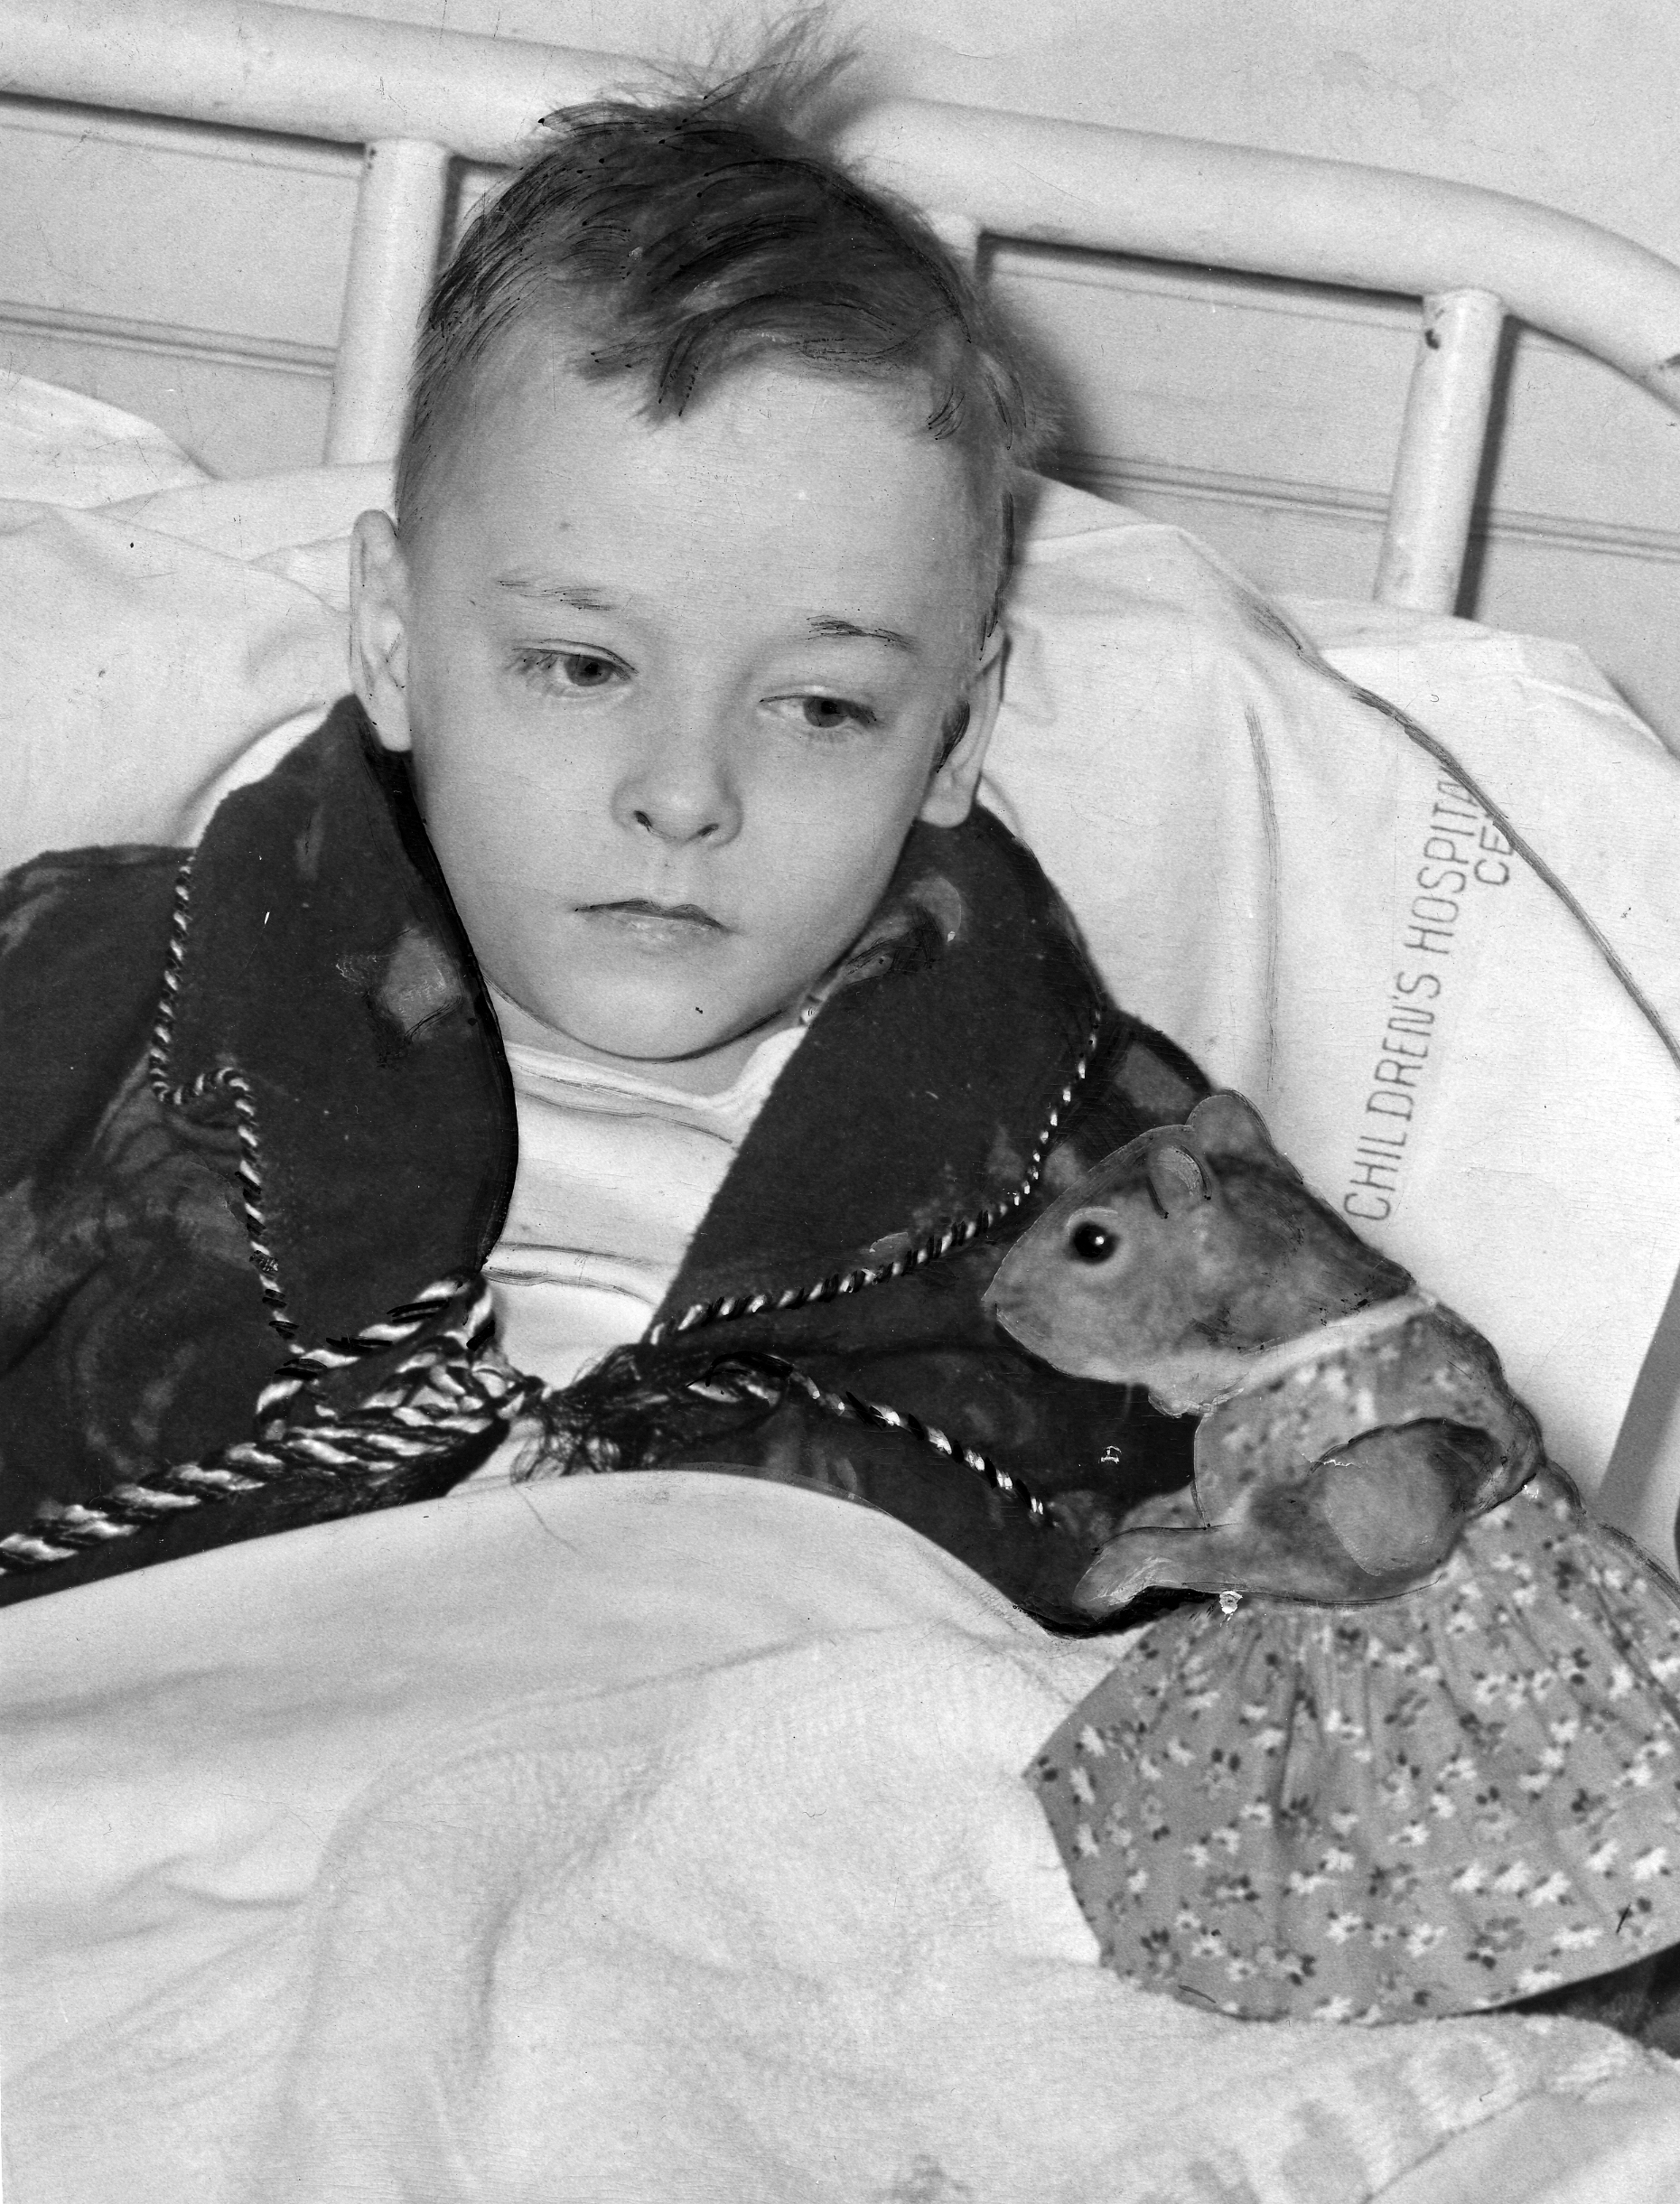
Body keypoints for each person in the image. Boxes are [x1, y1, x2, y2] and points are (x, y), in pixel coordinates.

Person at [0, 47, 1217, 1619]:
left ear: (958, 731)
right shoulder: (90, 996)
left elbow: (1337, 1624)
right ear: (392, 637)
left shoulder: (1129, 1179)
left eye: (821, 706)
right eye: (583, 667)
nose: (685, 791)